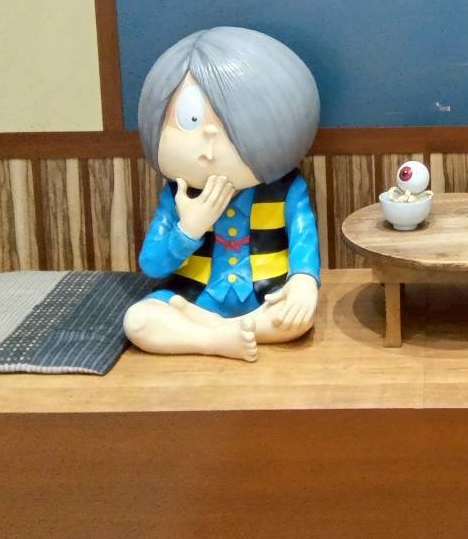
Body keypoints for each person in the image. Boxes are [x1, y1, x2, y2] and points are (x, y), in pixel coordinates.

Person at [123, 26, 321, 361]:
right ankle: (216, 339)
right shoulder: (178, 196)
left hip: (265, 298)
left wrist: (303, 282)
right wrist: (189, 229)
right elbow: (152, 265)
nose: (209, 141)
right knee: (138, 321)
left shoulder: (287, 189)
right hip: (192, 298)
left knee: (296, 318)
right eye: (190, 119)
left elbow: (304, 241)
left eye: (231, 123)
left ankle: (215, 332)